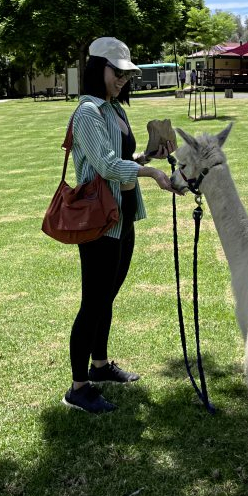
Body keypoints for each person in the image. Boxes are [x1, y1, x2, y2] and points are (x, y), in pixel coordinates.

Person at [62, 36, 175, 414]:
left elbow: (121, 157)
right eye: (118, 72)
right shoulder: (88, 112)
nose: (123, 80)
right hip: (98, 222)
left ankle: (100, 366)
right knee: (92, 301)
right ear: (98, 69)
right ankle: (78, 387)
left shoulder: (115, 111)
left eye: (127, 74)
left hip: (122, 216)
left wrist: (148, 154)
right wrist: (152, 172)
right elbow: (107, 166)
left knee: (107, 296)